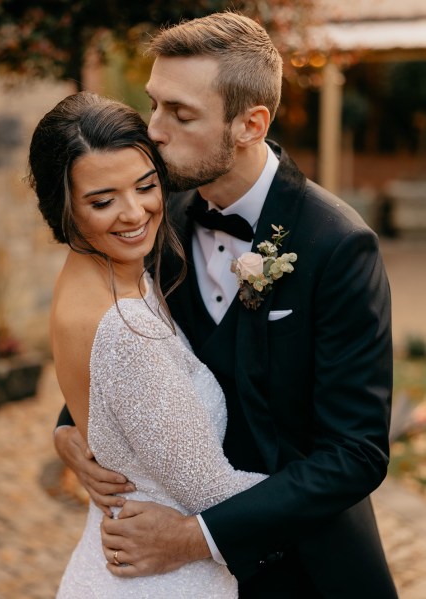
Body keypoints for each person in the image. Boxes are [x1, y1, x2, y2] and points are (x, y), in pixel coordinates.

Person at [54, 12, 398, 599]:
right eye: (154, 104)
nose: (153, 132)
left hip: (308, 568)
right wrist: (69, 426)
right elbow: (132, 343)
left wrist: (196, 536)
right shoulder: (158, 217)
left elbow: (356, 454)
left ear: (250, 124)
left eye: (180, 114)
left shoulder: (338, 245)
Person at [29, 90, 271, 598]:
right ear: (63, 204)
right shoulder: (122, 329)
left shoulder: (106, 273)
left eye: (145, 186)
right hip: (162, 580)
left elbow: (110, 401)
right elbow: (210, 491)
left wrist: (67, 430)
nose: (135, 213)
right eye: (102, 201)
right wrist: (328, 486)